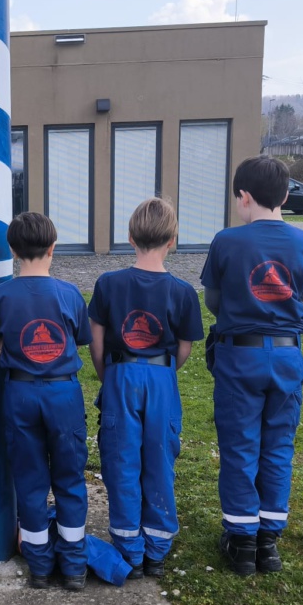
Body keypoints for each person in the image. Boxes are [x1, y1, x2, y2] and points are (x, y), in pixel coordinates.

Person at [201, 158, 303, 576]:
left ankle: (241, 541)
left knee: (240, 446)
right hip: (286, 355)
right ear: (286, 196)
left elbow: (213, 301)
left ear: (244, 196)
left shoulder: (226, 241)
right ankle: (268, 541)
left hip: (240, 355)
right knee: (278, 445)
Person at [89, 198, 203, 578]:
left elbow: (96, 344)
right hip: (161, 376)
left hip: (120, 374)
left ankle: (130, 549)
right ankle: (157, 547)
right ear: (172, 240)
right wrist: (163, 372)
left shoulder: (108, 284)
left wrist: (111, 376)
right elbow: (184, 348)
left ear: (129, 237)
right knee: (159, 457)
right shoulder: (183, 291)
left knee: (121, 458)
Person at [0, 213, 91, 591]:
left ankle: (40, 566)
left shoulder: (0, 295)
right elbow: (79, 337)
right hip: (63, 394)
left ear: (13, 251)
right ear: (53, 248)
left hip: (20, 393)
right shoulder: (70, 293)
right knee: (70, 476)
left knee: (30, 480)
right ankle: (74, 565)